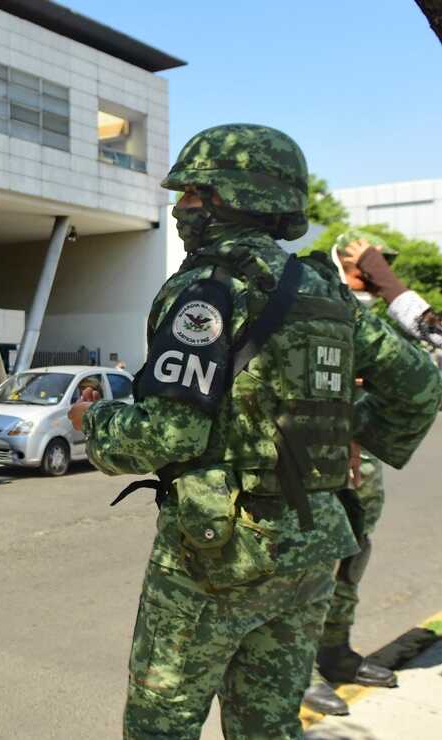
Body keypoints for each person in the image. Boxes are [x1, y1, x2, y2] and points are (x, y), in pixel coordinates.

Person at [67, 124, 441, 739]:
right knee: (268, 727)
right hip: (313, 546)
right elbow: (421, 386)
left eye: (190, 193)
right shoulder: (323, 290)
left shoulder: (209, 290)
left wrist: (95, 423)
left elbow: (169, 433)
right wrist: (350, 434)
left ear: (226, 198)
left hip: (220, 556)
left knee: (162, 728)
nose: (179, 207)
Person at [303, 229, 442, 714]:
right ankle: (296, 669)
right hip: (322, 452)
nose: (382, 269)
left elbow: (419, 353)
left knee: (355, 553)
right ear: (346, 258)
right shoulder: (317, 292)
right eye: (378, 261)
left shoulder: (370, 311)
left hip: (365, 457)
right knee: (315, 560)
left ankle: (335, 652)